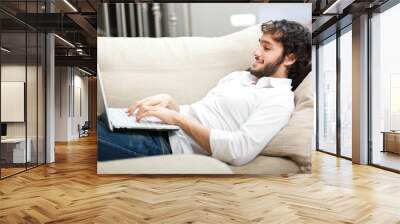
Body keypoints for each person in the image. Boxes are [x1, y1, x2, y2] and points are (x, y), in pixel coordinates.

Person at [98, 19, 311, 166]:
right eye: (259, 45)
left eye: (266, 48)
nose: (256, 52)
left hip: (165, 145)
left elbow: (239, 151)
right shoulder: (239, 77)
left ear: (290, 58)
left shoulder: (279, 101)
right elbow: (199, 113)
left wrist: (175, 118)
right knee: (103, 120)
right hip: (158, 128)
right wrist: (170, 103)